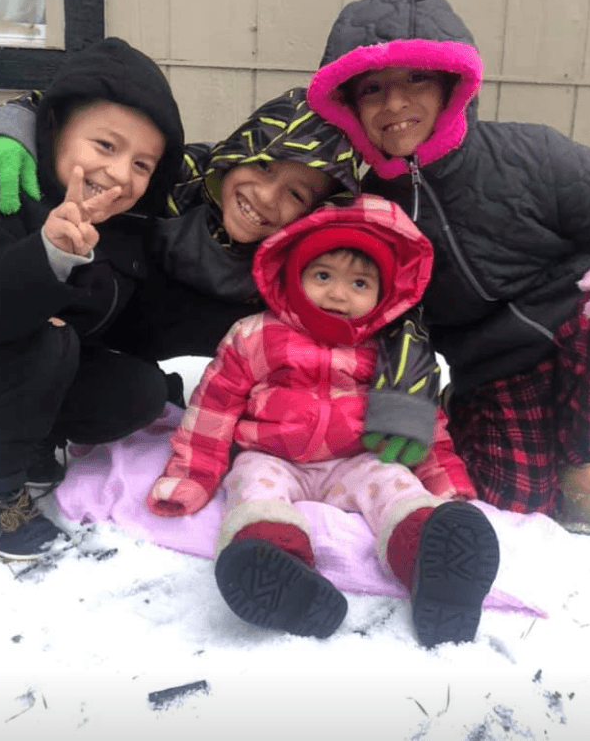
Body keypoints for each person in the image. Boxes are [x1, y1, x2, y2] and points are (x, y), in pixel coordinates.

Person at [146, 196, 500, 648]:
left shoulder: (390, 349)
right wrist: (191, 478)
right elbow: (213, 409)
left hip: (356, 460)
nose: (338, 293)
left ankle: (430, 559)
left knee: (395, 484)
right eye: (323, 276)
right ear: (294, 274)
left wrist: (445, 485)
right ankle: (277, 567)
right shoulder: (258, 334)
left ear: (383, 294)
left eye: (359, 283)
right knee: (254, 488)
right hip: (272, 456)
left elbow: (421, 421)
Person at [307, 0, 590, 531]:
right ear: (349, 107)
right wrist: (405, 404)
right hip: (495, 369)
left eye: (416, 79)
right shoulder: (368, 208)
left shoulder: (535, 154)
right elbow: (392, 320)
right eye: (372, 90)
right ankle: (487, 424)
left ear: (451, 83)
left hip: (573, 328)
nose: (395, 104)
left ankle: (579, 460)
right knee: (516, 502)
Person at [0, 37, 184, 561]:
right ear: (55, 130)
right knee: (49, 340)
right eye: (105, 146)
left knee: (139, 391)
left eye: (143, 164)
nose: (122, 174)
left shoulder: (123, 226)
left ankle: (30, 445)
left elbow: (127, 317)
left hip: (27, 361)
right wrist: (48, 252)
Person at [0, 88, 363, 361]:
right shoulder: (179, 175)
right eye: (265, 167)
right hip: (107, 337)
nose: (267, 197)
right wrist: (7, 131)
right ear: (238, 153)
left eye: (296, 195)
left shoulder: (303, 260)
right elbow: (70, 117)